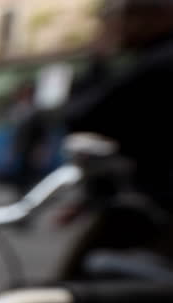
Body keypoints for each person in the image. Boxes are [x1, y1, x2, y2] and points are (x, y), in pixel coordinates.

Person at [58, 0, 173, 280]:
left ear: (157, 17)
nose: (120, 27)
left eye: (126, 16)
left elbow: (84, 116)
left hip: (157, 211)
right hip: (151, 204)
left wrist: (98, 57)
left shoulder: (159, 62)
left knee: (72, 286)